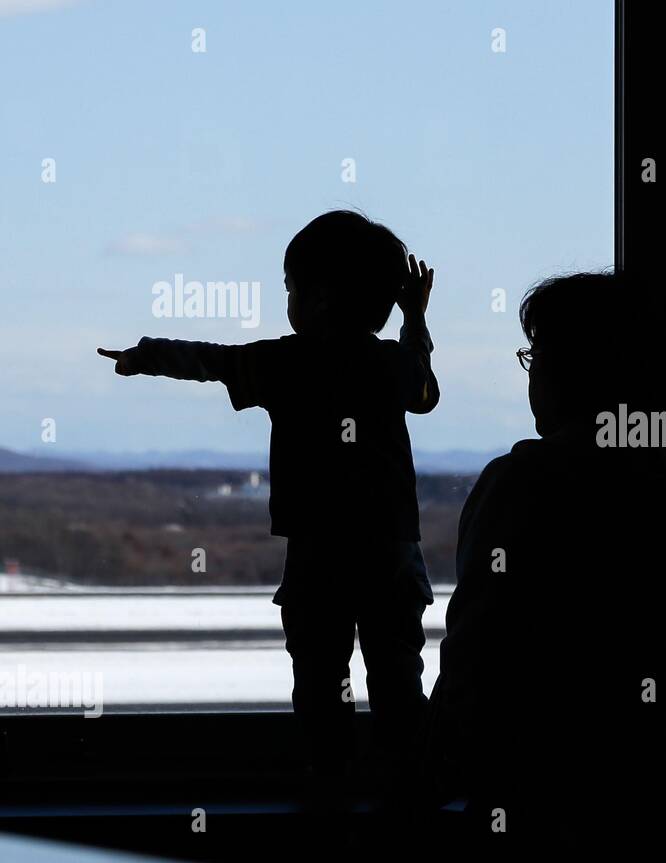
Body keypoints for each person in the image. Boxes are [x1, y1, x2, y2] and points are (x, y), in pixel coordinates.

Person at [427, 270, 666, 863]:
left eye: (537, 357)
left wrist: (431, 774)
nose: (531, 376)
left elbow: (478, 669)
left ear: (574, 370)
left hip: (560, 827)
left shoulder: (527, 489)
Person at [97, 210, 440, 797]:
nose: (288, 301)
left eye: (290, 288)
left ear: (319, 298)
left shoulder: (286, 362)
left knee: (319, 677)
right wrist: (415, 320)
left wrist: (144, 355)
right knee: (397, 677)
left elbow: (211, 360)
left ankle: (329, 787)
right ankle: (406, 794)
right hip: (391, 548)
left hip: (317, 550)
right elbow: (424, 393)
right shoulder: (388, 365)